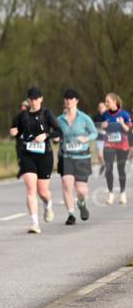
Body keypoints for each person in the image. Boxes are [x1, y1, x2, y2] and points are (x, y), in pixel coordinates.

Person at [10, 88, 62, 234]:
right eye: (31, 98)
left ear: (41, 99)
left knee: (43, 191)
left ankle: (48, 204)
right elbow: (18, 131)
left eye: (35, 98)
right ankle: (34, 223)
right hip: (27, 154)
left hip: (44, 155)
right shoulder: (23, 115)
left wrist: (46, 135)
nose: (33, 101)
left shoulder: (47, 114)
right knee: (31, 189)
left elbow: (59, 132)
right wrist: (14, 132)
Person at [57, 89, 97, 224]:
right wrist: (55, 139)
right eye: (66, 98)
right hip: (66, 156)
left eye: (71, 98)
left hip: (82, 157)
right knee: (67, 184)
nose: (68, 101)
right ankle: (71, 214)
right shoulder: (59, 119)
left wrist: (86, 138)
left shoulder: (84, 118)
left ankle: (81, 203)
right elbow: (55, 134)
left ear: (76, 101)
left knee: (81, 190)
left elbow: (94, 133)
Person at [100, 92, 130, 205]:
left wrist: (122, 124)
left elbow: (128, 130)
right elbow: (101, 127)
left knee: (121, 169)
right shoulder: (105, 115)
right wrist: (103, 126)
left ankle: (122, 193)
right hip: (109, 144)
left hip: (122, 145)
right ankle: (111, 194)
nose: (106, 103)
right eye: (105, 101)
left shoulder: (124, 114)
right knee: (108, 169)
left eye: (108, 101)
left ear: (114, 101)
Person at [92, 101, 108, 174]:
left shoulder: (109, 116)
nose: (101, 108)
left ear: (106, 108)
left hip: (108, 138)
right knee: (100, 155)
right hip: (99, 138)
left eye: (102, 107)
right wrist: (101, 126)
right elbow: (94, 126)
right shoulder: (96, 117)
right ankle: (103, 165)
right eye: (99, 107)